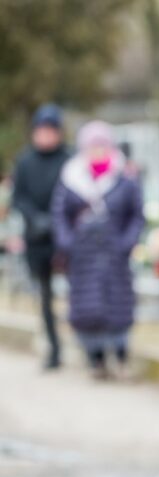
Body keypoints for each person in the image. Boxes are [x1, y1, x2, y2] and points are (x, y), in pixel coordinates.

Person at [51, 121, 144, 380]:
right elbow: (59, 214)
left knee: (119, 305)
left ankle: (121, 355)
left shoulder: (124, 179)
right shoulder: (71, 179)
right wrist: (68, 243)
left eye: (103, 145)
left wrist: (126, 243)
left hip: (115, 255)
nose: (98, 151)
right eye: (93, 146)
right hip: (83, 257)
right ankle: (96, 358)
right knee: (87, 307)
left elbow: (137, 213)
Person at [11, 104, 71, 370]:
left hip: (64, 236)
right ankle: (54, 347)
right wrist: (35, 219)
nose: (45, 136)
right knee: (44, 296)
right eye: (41, 130)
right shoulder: (25, 161)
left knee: (76, 291)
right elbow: (19, 197)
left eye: (50, 130)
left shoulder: (68, 159)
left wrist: (57, 220)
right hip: (37, 238)